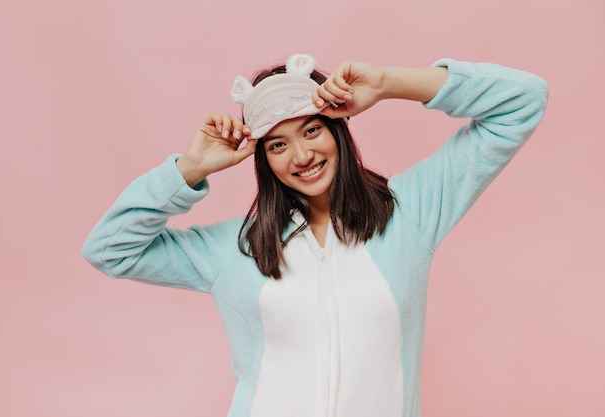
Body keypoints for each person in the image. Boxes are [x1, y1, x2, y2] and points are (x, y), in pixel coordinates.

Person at [82, 53, 548, 417]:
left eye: (312, 130)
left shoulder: (410, 213)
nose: (301, 155)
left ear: (338, 129)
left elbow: (523, 100)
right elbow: (109, 249)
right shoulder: (233, 249)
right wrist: (190, 169)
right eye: (278, 144)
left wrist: (388, 84)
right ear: (264, 159)